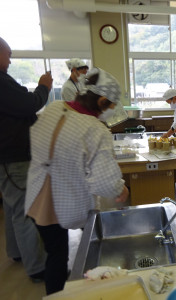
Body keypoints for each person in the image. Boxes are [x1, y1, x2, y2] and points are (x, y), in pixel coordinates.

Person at [25, 67, 129, 295]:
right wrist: (120, 189)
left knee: (55, 253)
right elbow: (104, 183)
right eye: (111, 105)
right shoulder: (94, 128)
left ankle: (56, 292)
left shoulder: (53, 108)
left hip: (36, 194)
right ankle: (84, 287)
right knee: (83, 245)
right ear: (102, 100)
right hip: (66, 197)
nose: (112, 110)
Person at [0, 37, 51, 282]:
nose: (10, 60)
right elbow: (28, 104)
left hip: (8, 159)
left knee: (13, 207)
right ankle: (37, 267)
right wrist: (43, 87)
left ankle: (17, 252)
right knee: (25, 211)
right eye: (7, 54)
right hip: (15, 159)